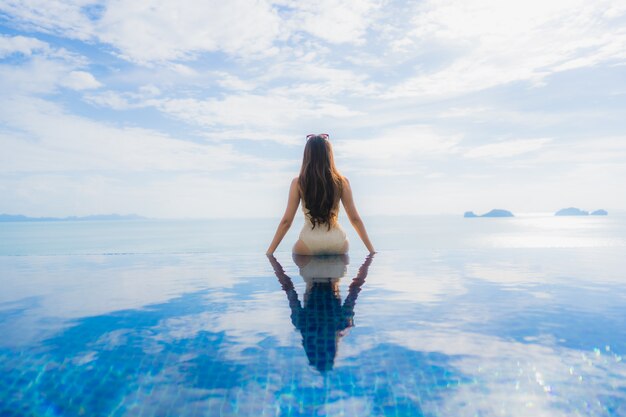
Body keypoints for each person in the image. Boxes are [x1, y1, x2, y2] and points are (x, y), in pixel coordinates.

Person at [266, 133, 375, 255]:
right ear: (329, 155)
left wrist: (269, 252)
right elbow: (355, 219)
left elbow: (286, 222)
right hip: (338, 242)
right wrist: (372, 251)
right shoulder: (342, 182)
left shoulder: (298, 183)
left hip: (308, 243)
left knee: (297, 257)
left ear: (307, 155)